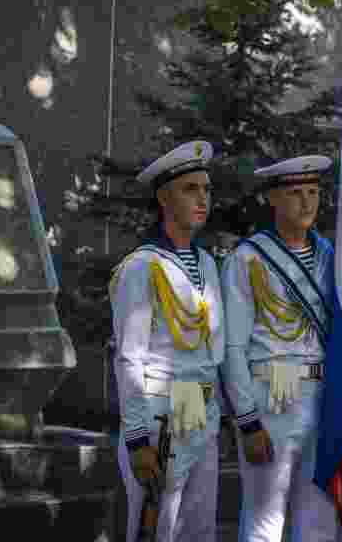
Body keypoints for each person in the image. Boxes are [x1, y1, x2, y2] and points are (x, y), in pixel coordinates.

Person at [110, 140, 226, 541]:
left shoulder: (208, 264)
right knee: (154, 531)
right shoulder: (142, 267)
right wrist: (137, 438)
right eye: (190, 189)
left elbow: (214, 351)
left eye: (206, 190)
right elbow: (129, 359)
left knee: (199, 533)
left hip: (202, 414)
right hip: (160, 417)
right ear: (163, 198)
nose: (202, 199)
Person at [221, 155, 338, 542]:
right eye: (295, 193)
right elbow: (233, 346)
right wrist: (247, 419)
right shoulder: (248, 259)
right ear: (273, 199)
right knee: (265, 518)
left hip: (322, 393)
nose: (307, 203)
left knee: (319, 514)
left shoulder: (330, 257)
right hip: (271, 393)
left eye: (313, 192)